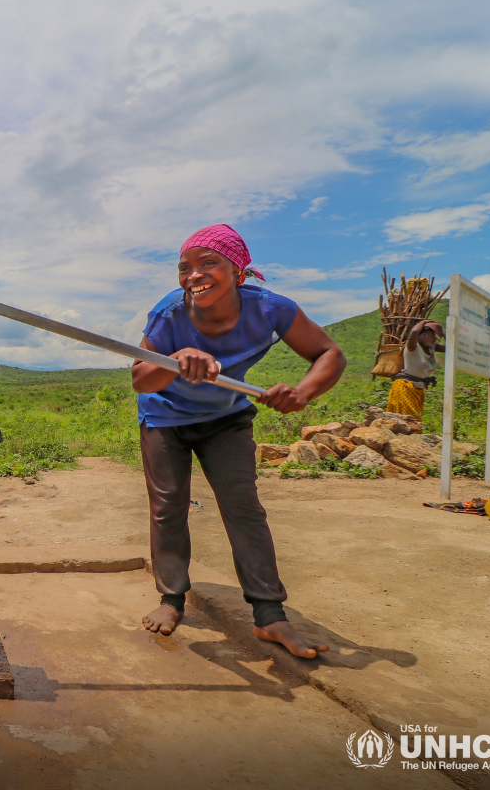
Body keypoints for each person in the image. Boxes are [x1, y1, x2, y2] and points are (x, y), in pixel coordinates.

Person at [131, 224, 345, 658]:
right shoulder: (171, 312)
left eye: (208, 263)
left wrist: (303, 392)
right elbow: (140, 377)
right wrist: (174, 361)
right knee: (169, 507)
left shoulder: (271, 310)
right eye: (184, 268)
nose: (194, 275)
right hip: (164, 419)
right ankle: (171, 600)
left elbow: (330, 354)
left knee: (243, 508)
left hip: (226, 418)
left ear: (239, 272)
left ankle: (270, 616)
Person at [386, 320, 444, 419]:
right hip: (405, 386)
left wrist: (443, 332)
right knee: (409, 420)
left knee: (416, 420)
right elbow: (414, 332)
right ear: (419, 337)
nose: (429, 338)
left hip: (419, 389)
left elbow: (452, 347)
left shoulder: (431, 349)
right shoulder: (412, 347)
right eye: (426, 335)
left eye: (431, 336)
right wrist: (425, 321)